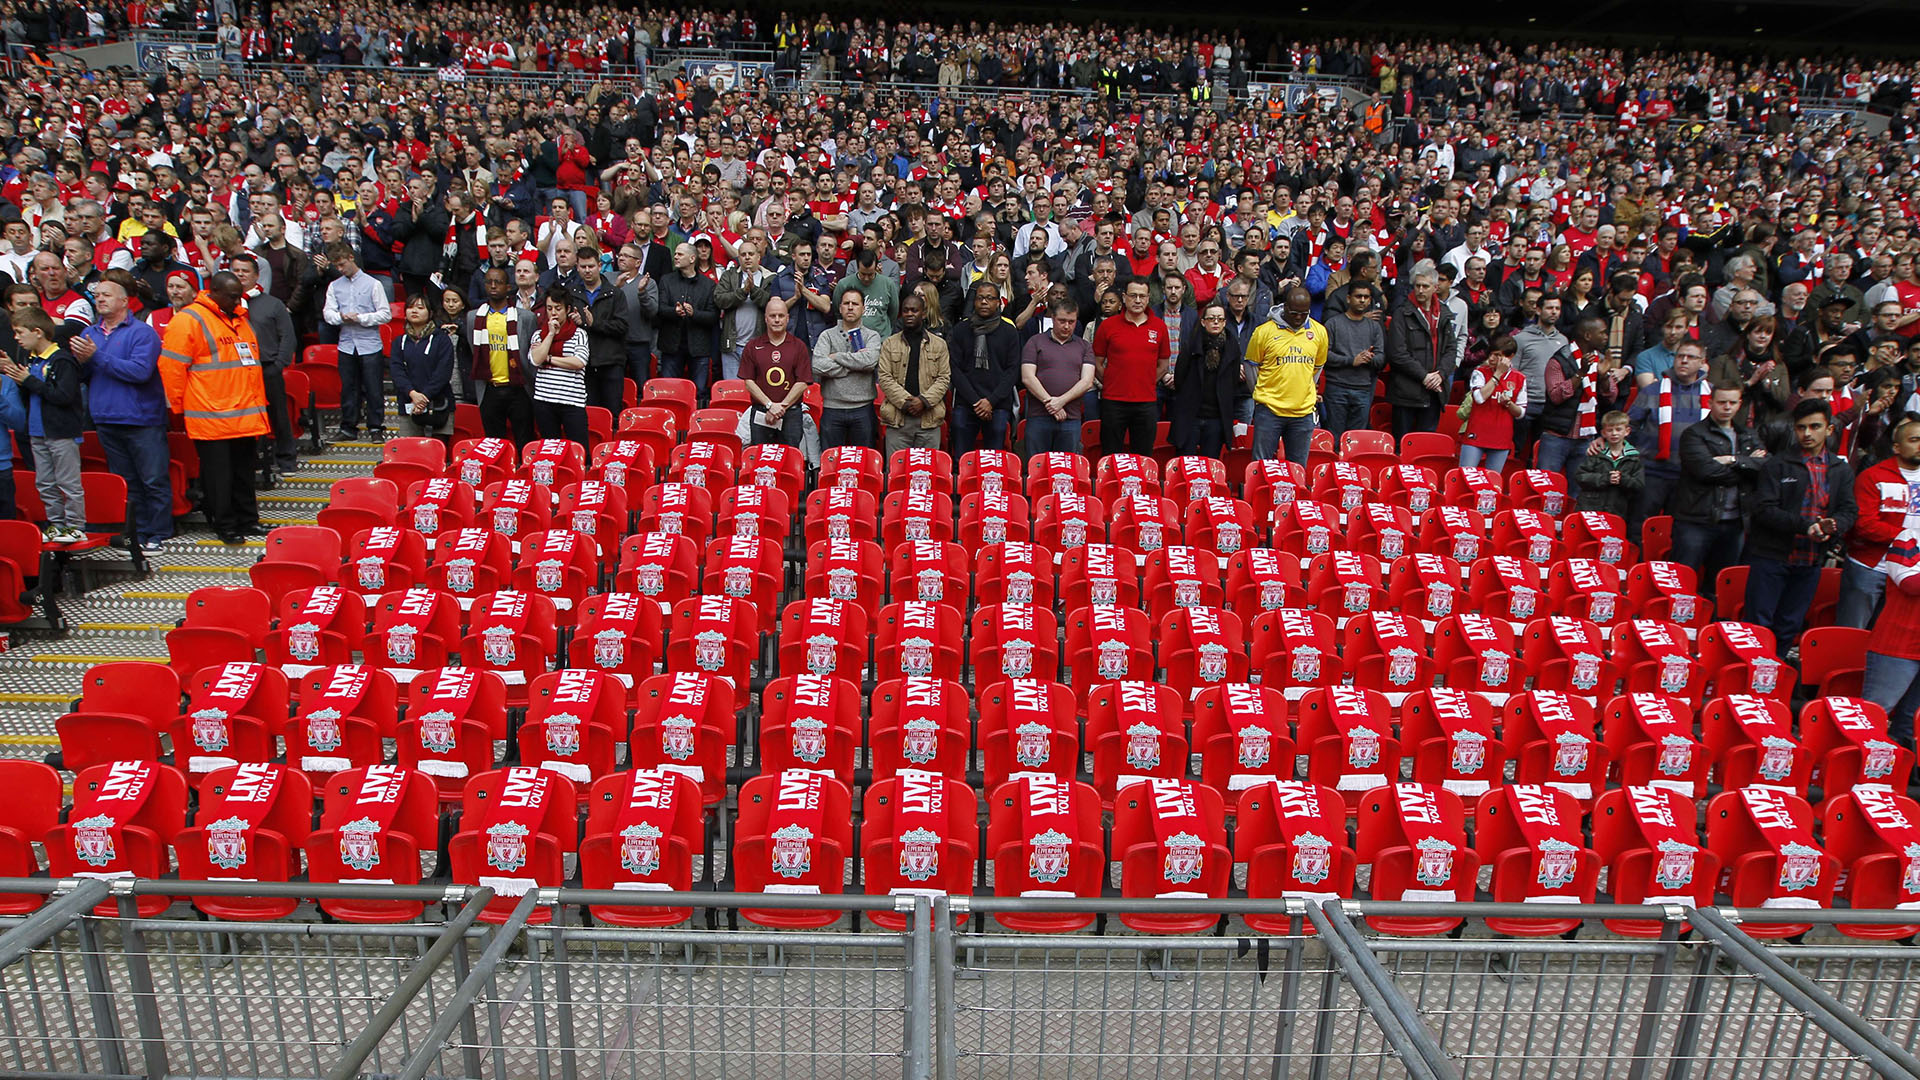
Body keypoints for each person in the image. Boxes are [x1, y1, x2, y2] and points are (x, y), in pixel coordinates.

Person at [159, 271, 268, 545]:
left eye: (239, 295)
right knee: (220, 476)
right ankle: (225, 524)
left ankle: (248, 520)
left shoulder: (240, 318)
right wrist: (177, 408)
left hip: (244, 412)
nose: (238, 300)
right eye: (232, 296)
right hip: (211, 414)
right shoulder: (189, 320)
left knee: (243, 472)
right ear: (214, 292)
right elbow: (172, 369)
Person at [1744, 398, 1856, 658]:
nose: (1807, 433)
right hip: (1771, 555)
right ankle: (1750, 678)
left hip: (1811, 559)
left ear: (1829, 429)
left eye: (1815, 426)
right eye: (1801, 427)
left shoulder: (1840, 469)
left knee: (1790, 624)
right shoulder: (1778, 464)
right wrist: (1806, 527)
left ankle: (1774, 676)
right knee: (1758, 623)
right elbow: (1763, 509)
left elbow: (1849, 510)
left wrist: (1834, 525)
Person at [71, 270, 170, 552]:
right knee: (127, 482)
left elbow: (140, 372)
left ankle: (159, 533)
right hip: (105, 418)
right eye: (97, 295)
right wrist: (78, 362)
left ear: (124, 301)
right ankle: (137, 533)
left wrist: (95, 357)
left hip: (142, 419)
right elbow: (86, 375)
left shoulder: (142, 333)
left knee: (153, 479)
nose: (99, 299)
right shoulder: (88, 333)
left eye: (106, 295)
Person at [1669, 381, 1766, 599]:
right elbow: (1705, 471)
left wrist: (1732, 460)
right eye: (1722, 402)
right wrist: (1746, 464)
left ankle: (1710, 628)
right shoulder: (1694, 434)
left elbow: (1764, 468)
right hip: (1696, 520)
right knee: (1681, 583)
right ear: (1710, 402)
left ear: (1740, 404)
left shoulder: (1748, 435)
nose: (1727, 407)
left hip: (1735, 522)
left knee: (1720, 588)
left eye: (1732, 402)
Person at [3, 308, 86, 544]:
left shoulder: (62, 360)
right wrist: (16, 374)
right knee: (45, 482)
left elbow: (64, 396)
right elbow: (30, 393)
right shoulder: (31, 360)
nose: (16, 338)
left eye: (19, 332)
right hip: (37, 432)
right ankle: (56, 525)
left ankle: (75, 525)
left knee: (68, 482)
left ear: (37, 332)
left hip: (61, 432)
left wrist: (29, 380)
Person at [1838, 417, 1920, 628]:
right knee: (1852, 631)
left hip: (1910, 572)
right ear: (1896, 447)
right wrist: (1907, 538)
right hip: (1870, 566)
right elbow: (1864, 525)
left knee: (1888, 634)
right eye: (1914, 439)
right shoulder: (1873, 477)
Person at [1627, 339, 1713, 538]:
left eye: (1690, 357)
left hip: (1690, 476)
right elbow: (1630, 426)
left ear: (1702, 362)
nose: (1683, 361)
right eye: (1680, 356)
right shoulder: (1652, 390)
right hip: (1652, 472)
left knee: (1678, 531)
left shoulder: (1712, 394)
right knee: (1640, 526)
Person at [229, 254, 298, 477]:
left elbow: (287, 337)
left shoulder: (272, 304)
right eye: (236, 270)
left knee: (278, 415)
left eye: (245, 271)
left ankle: (287, 460)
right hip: (235, 372)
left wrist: (278, 365)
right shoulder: (224, 305)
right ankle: (253, 460)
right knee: (244, 419)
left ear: (256, 275)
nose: (240, 275)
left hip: (267, 368)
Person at [1245, 286, 1328, 465]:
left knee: (1297, 468)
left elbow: (1317, 367)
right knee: (1262, 466)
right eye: (1294, 313)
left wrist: (1305, 389)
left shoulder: (1319, 332)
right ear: (1284, 307)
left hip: (1303, 412)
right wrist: (1261, 395)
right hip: (1269, 410)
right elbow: (1251, 367)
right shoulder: (1264, 332)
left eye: (1303, 313)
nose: (1298, 317)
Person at [320, 242, 392, 441]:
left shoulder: (373, 284)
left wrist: (361, 318)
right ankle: (348, 427)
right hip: (346, 344)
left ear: (351, 258)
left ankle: (375, 427)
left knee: (373, 387)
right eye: (337, 266)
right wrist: (341, 318)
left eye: (342, 264)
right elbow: (328, 313)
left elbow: (385, 314)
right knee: (348, 388)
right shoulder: (334, 286)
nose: (340, 269)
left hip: (369, 343)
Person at [1092, 278, 1171, 456]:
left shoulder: (1159, 327)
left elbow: (1164, 364)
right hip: (1113, 401)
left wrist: (1148, 382)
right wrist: (1112, 381)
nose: (1137, 300)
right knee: (1110, 455)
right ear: (1124, 297)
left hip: (1146, 402)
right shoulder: (1108, 326)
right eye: (1133, 295)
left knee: (1143, 456)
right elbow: (1096, 362)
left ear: (1148, 298)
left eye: (1142, 296)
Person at [946, 282, 1021, 455]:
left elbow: (1012, 371)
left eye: (989, 298)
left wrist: (990, 401)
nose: (984, 302)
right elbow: (955, 369)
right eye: (980, 298)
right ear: (974, 302)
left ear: (998, 303)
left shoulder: (1009, 332)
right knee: (960, 457)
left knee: (994, 461)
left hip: (998, 403)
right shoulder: (961, 329)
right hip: (967, 402)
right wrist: (975, 401)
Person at [466, 268, 537, 448]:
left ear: (507, 287)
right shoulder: (473, 317)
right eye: (489, 282)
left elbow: (531, 352)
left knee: (525, 441)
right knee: (493, 445)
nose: (493, 286)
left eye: (498, 282)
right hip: (489, 389)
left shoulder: (526, 317)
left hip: (519, 388)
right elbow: (474, 350)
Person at [1863, 527, 1920, 747]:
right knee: (1873, 715)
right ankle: (1853, 772)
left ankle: (1894, 776)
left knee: (1910, 724)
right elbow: (1910, 583)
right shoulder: (1909, 538)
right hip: (1897, 644)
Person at [1383, 265, 1454, 438]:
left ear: (1435, 288)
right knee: (1402, 443)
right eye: (1417, 286)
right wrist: (1425, 376)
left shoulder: (1444, 314)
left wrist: (1440, 374)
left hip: (1434, 392)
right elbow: (1397, 354)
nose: (1420, 290)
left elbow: (1451, 349)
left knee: (1427, 444)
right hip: (1406, 391)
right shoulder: (1402, 313)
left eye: (1425, 286)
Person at [1021, 300, 1097, 455]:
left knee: (1067, 471)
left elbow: (1087, 381)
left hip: (1070, 419)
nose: (1067, 326)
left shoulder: (1084, 346)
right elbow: (1028, 377)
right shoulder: (1035, 341)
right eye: (1062, 321)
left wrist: (1060, 401)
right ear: (1053, 319)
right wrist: (1051, 403)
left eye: (1071, 322)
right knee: (1036, 469)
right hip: (1038, 417)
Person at [877, 292, 950, 452]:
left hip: (929, 419)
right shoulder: (889, 343)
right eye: (905, 310)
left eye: (914, 310)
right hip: (898, 419)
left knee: (927, 473)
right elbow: (884, 377)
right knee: (897, 473)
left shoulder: (939, 344)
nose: (909, 314)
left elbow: (944, 378)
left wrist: (923, 401)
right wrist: (907, 402)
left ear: (923, 313)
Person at [1168, 299, 1241, 458]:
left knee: (1210, 463)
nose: (1216, 322)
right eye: (1211, 319)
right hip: (1191, 415)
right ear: (1202, 322)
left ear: (1224, 322)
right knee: (1185, 463)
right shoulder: (1191, 345)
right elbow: (1179, 378)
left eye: (1220, 319)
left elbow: (1233, 380)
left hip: (1216, 417)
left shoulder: (1232, 347)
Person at [811, 287, 881, 450]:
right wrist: (856, 364)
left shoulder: (872, 336)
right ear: (840, 307)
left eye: (855, 304)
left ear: (863, 308)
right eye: (846, 303)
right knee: (831, 463)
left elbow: (869, 362)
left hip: (862, 408)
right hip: (832, 408)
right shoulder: (827, 335)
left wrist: (836, 356)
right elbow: (818, 366)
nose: (850, 307)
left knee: (864, 462)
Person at [738, 296, 810, 447]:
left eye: (781, 316)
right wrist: (770, 406)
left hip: (791, 413)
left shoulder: (799, 346)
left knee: (790, 461)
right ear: (765, 319)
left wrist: (781, 407)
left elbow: (803, 382)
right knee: (762, 459)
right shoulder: (752, 346)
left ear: (787, 318)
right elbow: (748, 382)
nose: (777, 320)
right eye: (772, 316)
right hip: (761, 412)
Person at [570, 240, 630, 414]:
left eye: (591, 266)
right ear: (577, 267)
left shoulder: (615, 294)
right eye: (583, 267)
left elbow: (622, 326)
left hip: (610, 362)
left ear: (599, 266)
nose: (587, 271)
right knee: (588, 414)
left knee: (612, 414)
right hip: (582, 365)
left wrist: (593, 323)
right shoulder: (572, 294)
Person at [1323, 279, 1385, 442]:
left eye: (1366, 297)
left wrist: (1369, 359)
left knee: (1356, 440)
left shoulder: (1374, 327)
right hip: (1336, 387)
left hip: (1363, 389)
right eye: (1358, 296)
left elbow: (1381, 357)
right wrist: (1351, 360)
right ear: (1348, 298)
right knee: (1334, 438)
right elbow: (1323, 355)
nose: (1362, 300)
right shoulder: (1333, 324)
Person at [389, 294, 457, 444]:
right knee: (411, 451)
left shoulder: (442, 339)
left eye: (420, 308)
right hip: (409, 402)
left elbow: (443, 372)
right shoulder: (399, 342)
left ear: (430, 313)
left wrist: (424, 397)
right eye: (411, 307)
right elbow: (397, 371)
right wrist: (413, 394)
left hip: (439, 403)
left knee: (439, 451)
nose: (415, 311)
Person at [528, 287, 590, 446]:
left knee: (578, 450)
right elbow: (535, 360)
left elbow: (578, 362)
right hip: (544, 401)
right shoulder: (539, 334)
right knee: (550, 450)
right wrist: (550, 334)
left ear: (567, 309)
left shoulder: (579, 334)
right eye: (549, 308)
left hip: (572, 402)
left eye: (558, 308)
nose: (553, 313)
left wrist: (548, 358)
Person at [657, 241, 719, 396]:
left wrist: (694, 314)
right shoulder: (666, 280)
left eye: (680, 254)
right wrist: (675, 311)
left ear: (692, 259)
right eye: (675, 254)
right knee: (668, 392)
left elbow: (713, 316)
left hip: (699, 347)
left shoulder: (708, 285)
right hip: (671, 346)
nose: (675, 257)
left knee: (699, 393)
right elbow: (660, 309)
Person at [1458, 335, 1526, 470]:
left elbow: (1521, 413)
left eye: (1497, 355)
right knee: (1465, 475)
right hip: (1476, 434)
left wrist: (1509, 404)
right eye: (1490, 354)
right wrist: (1498, 374)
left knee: (1492, 481)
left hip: (1501, 437)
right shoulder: (1480, 372)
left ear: (1510, 356)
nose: (1492, 358)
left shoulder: (1519, 378)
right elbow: (1479, 398)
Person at [1575, 410, 1644, 517]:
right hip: (1589, 508)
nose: (1614, 433)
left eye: (1618, 429)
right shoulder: (1596, 453)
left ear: (1627, 431)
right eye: (1610, 430)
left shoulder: (1634, 458)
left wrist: (1622, 479)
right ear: (1603, 433)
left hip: (1617, 510)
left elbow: (1638, 484)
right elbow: (1580, 477)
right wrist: (1605, 479)